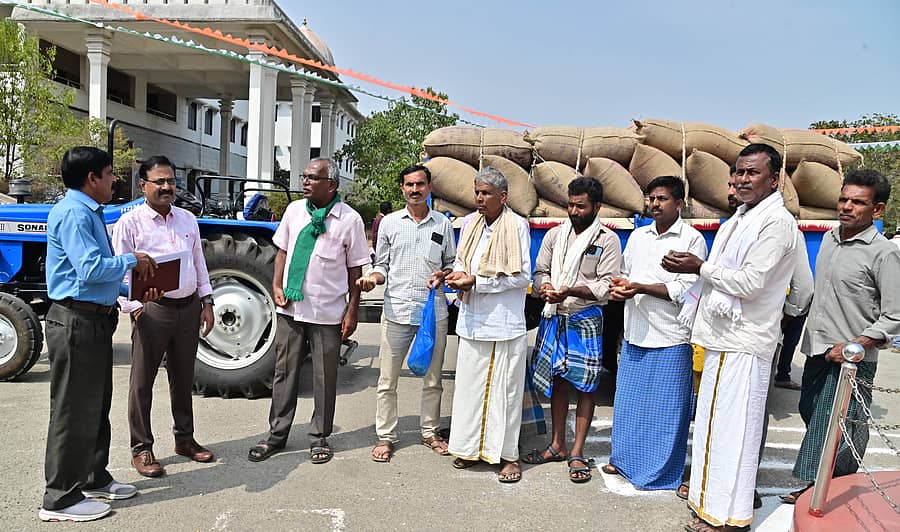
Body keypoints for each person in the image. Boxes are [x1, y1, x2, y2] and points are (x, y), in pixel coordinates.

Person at [663, 143, 799, 531]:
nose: (741, 180)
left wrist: (700, 266)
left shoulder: (776, 223)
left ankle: (730, 519)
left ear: (774, 180)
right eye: (738, 172)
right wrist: (697, 271)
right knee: (712, 427)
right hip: (721, 338)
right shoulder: (739, 218)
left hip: (745, 342)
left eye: (752, 173)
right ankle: (709, 505)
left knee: (736, 434)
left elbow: (750, 283)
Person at [40, 147, 157, 522]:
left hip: (93, 317)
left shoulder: (88, 211)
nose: (114, 181)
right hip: (75, 321)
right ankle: (59, 498)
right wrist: (131, 260)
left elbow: (91, 279)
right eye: (109, 174)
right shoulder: (75, 213)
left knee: (94, 404)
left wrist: (132, 292)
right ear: (91, 178)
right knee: (72, 410)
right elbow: (90, 269)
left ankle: (92, 476)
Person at [783, 169, 900, 504]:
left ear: (877, 210)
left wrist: (854, 346)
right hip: (817, 349)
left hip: (852, 358)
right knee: (811, 412)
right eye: (843, 199)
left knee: (831, 424)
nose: (846, 207)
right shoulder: (831, 239)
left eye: (858, 202)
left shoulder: (885, 253)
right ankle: (838, 479)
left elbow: (895, 315)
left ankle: (816, 487)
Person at [247, 157, 369, 464]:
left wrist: (352, 312)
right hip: (291, 308)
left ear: (331, 184)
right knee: (283, 373)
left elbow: (356, 271)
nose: (305, 181)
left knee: (324, 378)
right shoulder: (294, 211)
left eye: (313, 177)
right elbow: (282, 252)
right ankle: (276, 435)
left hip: (328, 314)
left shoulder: (349, 220)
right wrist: (276, 285)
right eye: (304, 176)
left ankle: (319, 437)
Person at [112, 156, 216, 478]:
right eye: (160, 181)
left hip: (188, 309)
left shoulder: (187, 220)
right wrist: (135, 307)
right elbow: (119, 272)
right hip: (151, 312)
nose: (167, 187)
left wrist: (207, 301)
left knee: (183, 380)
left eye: (171, 181)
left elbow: (198, 261)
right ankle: (141, 449)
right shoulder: (129, 224)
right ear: (143, 185)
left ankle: (185, 440)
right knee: (142, 384)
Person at [604, 175, 707, 490]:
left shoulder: (691, 240)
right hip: (635, 334)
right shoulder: (638, 237)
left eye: (661, 199)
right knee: (630, 406)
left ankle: (660, 473)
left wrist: (640, 288)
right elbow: (624, 274)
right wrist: (620, 287)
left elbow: (685, 290)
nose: (654, 204)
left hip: (670, 337)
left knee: (667, 412)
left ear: (679, 204)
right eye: (651, 198)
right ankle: (624, 461)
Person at [521, 177, 621, 483]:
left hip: (586, 317)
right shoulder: (554, 235)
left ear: (597, 207)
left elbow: (607, 284)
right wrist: (546, 287)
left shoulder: (607, 240)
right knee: (558, 381)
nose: (574, 211)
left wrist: (573, 291)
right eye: (570, 205)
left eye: (581, 206)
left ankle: (577, 451)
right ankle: (557, 445)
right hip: (555, 315)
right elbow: (540, 272)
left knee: (587, 385)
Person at [356, 165, 456, 462]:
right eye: (409, 185)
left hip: (432, 313)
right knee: (387, 381)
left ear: (429, 187)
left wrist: (444, 274)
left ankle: (430, 432)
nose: (415, 189)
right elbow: (381, 264)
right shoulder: (389, 224)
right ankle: (386, 436)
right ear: (402, 188)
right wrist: (373, 279)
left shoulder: (443, 225)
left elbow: (452, 262)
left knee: (434, 379)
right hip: (397, 310)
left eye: (420, 184)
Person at [445, 166, 531, 483]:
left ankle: (508, 456)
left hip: (503, 324)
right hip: (472, 322)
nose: (480, 198)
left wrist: (478, 283)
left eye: (486, 193)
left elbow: (522, 276)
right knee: (469, 390)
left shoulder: (517, 226)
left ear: (503, 197)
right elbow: (460, 263)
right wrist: (455, 277)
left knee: (505, 394)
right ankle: (469, 450)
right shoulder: (469, 224)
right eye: (477, 192)